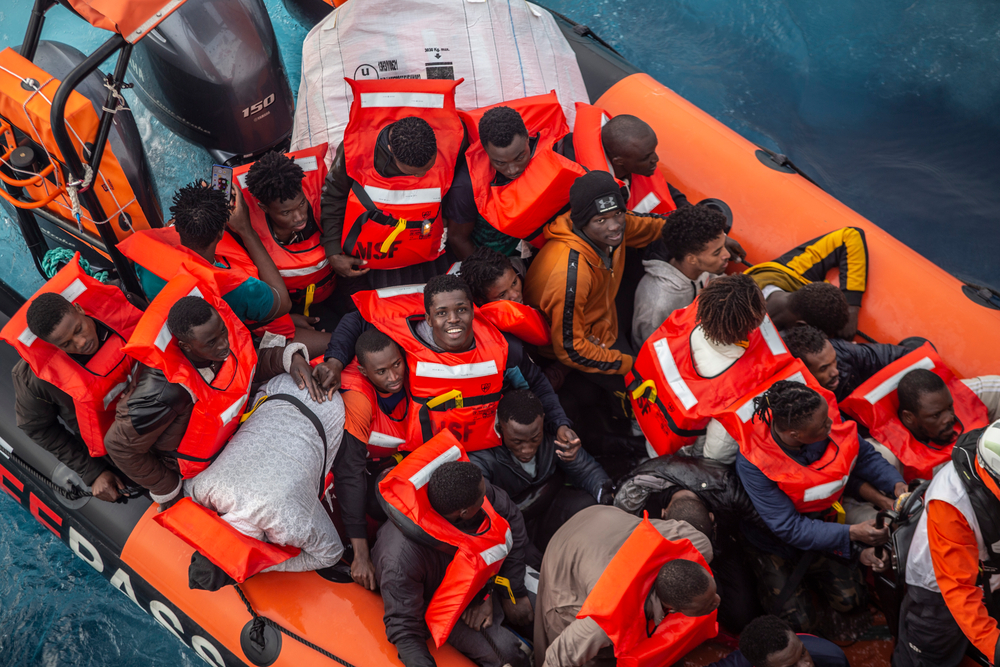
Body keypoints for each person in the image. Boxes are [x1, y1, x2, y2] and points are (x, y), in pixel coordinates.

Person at [104, 275, 318, 510]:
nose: (224, 345)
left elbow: (246, 360)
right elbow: (119, 446)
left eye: (223, 333)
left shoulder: (216, 337)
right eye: (211, 343)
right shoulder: (164, 392)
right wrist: (168, 490)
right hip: (198, 465)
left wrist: (289, 357)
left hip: (233, 432)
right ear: (186, 346)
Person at [316, 275, 576, 452]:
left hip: (490, 448)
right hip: (426, 451)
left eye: (461, 310)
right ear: (428, 318)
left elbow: (538, 386)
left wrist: (561, 423)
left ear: (473, 310)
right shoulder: (404, 336)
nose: (453, 319)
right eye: (442, 313)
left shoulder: (505, 347)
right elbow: (355, 320)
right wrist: (335, 362)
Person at [726, 378, 906, 632]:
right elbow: (788, 528)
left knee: (851, 601)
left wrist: (896, 485)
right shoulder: (754, 462)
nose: (831, 425)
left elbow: (862, 454)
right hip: (774, 541)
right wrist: (853, 534)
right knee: (800, 623)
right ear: (794, 435)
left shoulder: (821, 418)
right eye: (823, 426)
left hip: (822, 521)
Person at [374, 442, 532, 667]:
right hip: (442, 605)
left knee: (533, 608)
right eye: (483, 497)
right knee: (507, 653)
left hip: (485, 586)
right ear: (465, 512)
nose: (488, 495)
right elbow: (404, 628)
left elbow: (511, 518)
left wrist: (499, 592)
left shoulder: (471, 490)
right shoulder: (400, 558)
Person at [2, 259, 140, 502]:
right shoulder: (34, 380)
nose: (81, 343)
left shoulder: (122, 302)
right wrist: (92, 472)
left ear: (79, 308)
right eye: (66, 344)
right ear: (51, 346)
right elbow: (36, 427)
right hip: (126, 447)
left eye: (79, 330)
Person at [185, 374, 347, 573]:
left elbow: (332, 553)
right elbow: (185, 489)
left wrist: (265, 566)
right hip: (283, 385)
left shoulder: (290, 525)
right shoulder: (205, 489)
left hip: (330, 407)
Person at [523, 170, 668, 394]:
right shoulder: (569, 274)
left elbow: (656, 226)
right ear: (581, 223)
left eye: (618, 213)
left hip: (603, 310)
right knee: (644, 385)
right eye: (601, 220)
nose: (614, 226)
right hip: (581, 342)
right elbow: (571, 350)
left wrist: (710, 231)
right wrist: (629, 364)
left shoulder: (615, 225)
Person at [628, 273, 793, 458]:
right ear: (754, 321)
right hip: (682, 451)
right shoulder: (738, 385)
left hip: (652, 421)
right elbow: (718, 451)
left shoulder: (687, 315)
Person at [320, 79, 465, 289]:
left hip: (426, 243)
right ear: (390, 150)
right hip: (371, 252)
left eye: (428, 167)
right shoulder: (355, 150)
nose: (423, 175)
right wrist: (333, 251)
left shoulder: (452, 140)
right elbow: (333, 196)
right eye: (414, 173)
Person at [534, 505, 718, 667]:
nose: (716, 601)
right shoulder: (607, 619)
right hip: (566, 551)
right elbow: (558, 657)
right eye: (708, 604)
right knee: (591, 657)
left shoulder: (697, 545)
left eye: (713, 595)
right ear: (674, 608)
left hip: (605, 520)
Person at [615, 454, 767, 632]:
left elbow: (765, 521)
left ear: (711, 518)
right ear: (663, 516)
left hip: (722, 547)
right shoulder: (636, 501)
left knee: (742, 615)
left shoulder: (727, 489)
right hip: (672, 559)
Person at [893, 421, 1000, 667]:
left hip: (991, 571)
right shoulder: (952, 500)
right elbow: (958, 587)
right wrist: (994, 646)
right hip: (938, 592)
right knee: (929, 656)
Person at [119, 181, 292, 331]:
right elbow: (284, 303)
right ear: (221, 233)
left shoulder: (145, 259)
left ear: (177, 226)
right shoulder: (238, 289)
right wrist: (246, 230)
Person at [469, 390, 612, 560]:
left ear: (543, 421)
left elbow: (586, 469)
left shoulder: (554, 436)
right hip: (512, 524)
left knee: (590, 507)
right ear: (500, 428)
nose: (528, 449)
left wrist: (606, 494)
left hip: (548, 508)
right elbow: (484, 515)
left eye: (534, 439)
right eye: (517, 442)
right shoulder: (481, 458)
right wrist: (519, 544)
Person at [446, 93, 586, 259]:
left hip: (543, 245)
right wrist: (491, 278)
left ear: (527, 137)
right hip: (493, 258)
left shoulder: (552, 149)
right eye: (500, 163)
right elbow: (458, 239)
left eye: (520, 157)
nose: (513, 170)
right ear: (485, 149)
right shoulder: (466, 185)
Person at [841, 349, 1000, 480]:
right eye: (936, 415)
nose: (949, 418)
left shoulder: (968, 395)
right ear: (909, 417)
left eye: (950, 407)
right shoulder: (886, 455)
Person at [338, 328, 409, 589]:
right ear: (365, 372)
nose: (393, 376)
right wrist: (361, 553)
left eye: (397, 364)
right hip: (370, 469)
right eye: (381, 372)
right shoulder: (358, 399)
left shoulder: (416, 369)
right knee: (376, 504)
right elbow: (349, 471)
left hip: (407, 456)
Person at [632, 204, 732, 348]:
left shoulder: (704, 267)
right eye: (717, 253)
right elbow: (656, 354)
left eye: (724, 246)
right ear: (691, 259)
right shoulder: (658, 304)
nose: (727, 255)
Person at [745, 227, 869, 339]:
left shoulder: (794, 269)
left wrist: (852, 306)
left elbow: (850, 236)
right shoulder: (742, 331)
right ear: (801, 325)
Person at [569, 108, 685, 215]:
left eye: (653, 150)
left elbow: (665, 189)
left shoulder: (636, 161)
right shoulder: (591, 194)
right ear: (619, 161)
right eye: (646, 157)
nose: (656, 159)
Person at [781, 324, 909, 403]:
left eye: (834, 361)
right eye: (824, 368)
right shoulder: (793, 400)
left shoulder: (843, 351)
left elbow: (894, 355)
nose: (835, 371)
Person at [458, 246, 551, 347]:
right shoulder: (480, 326)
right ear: (480, 300)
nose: (515, 295)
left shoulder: (521, 267)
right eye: (502, 294)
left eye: (514, 283)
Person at [707, 615, 849, 667]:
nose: (806, 665)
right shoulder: (742, 662)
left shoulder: (832, 658)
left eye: (802, 653)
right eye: (791, 666)